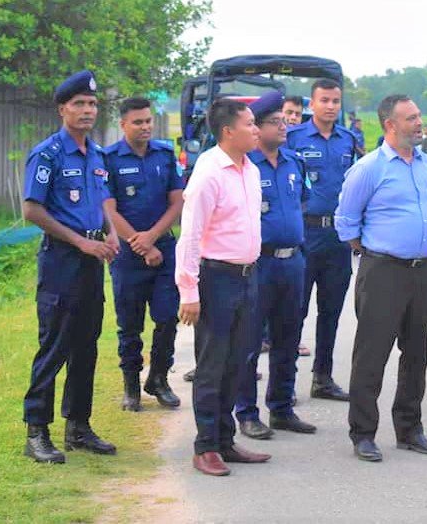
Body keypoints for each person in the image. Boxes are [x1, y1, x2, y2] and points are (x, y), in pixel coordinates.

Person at [336, 94, 427, 462]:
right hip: (383, 270)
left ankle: (410, 429)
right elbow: (346, 220)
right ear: (389, 125)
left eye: (419, 116)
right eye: (411, 118)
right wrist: (370, 252)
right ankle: (363, 433)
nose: (419, 123)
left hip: (421, 271)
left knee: (416, 353)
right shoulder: (370, 168)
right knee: (372, 354)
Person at [21, 70, 120, 463]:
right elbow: (31, 209)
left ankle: (78, 426)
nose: (87, 110)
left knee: (86, 346)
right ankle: (36, 432)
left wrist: (110, 232)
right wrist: (80, 241)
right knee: (55, 346)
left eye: (92, 104)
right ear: (63, 108)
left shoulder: (97, 155)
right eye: (79, 103)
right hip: (62, 262)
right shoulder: (47, 153)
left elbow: (101, 201)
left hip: (92, 263)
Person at [176, 97, 271, 476]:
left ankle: (225, 440)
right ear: (228, 131)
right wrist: (189, 291)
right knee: (212, 365)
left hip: (249, 277)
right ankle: (205, 447)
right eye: (249, 124)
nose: (256, 129)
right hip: (217, 279)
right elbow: (191, 235)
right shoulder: (209, 172)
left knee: (239, 361)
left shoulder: (248, 168)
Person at [234, 91, 317, 440]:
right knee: (250, 341)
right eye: (275, 122)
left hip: (292, 262)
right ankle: (247, 412)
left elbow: (303, 200)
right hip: (258, 264)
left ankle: (281, 407)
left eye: (285, 120)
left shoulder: (293, 162)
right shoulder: (244, 165)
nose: (284, 126)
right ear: (257, 128)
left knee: (288, 336)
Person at [103, 97, 184, 412]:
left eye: (149, 120)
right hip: (126, 254)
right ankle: (132, 386)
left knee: (167, 317)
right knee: (130, 324)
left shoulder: (164, 155)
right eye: (138, 122)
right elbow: (108, 209)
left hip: (163, 249)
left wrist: (152, 238)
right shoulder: (108, 159)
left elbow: (177, 202)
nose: (145, 126)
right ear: (123, 124)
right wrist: (139, 242)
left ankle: (159, 379)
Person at [287, 79, 359, 402]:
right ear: (311, 105)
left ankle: (323, 377)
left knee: (330, 311)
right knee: (295, 310)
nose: (331, 106)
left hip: (338, 238)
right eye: (325, 100)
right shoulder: (293, 138)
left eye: (336, 101)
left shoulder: (349, 140)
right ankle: (285, 382)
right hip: (305, 234)